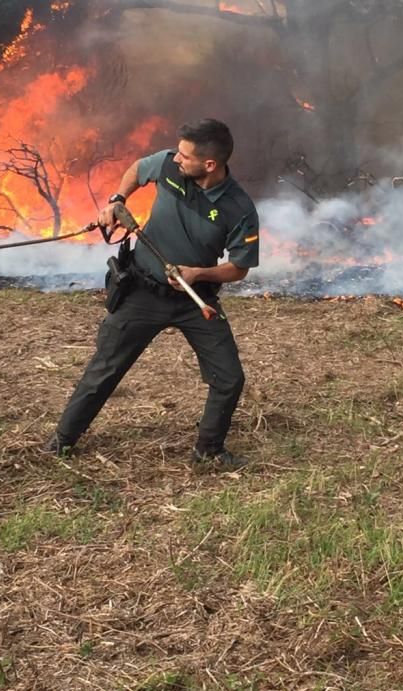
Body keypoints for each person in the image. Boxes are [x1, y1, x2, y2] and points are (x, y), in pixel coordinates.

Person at [46, 118, 259, 468]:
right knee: (104, 370)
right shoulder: (167, 163)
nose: (176, 159)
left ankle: (208, 450)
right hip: (142, 291)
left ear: (210, 164)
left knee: (230, 378)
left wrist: (199, 273)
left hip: (196, 299)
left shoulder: (239, 208)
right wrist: (116, 200)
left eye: (185, 156)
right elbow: (136, 169)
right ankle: (62, 441)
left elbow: (239, 267)